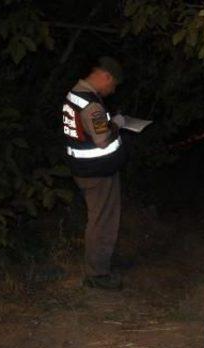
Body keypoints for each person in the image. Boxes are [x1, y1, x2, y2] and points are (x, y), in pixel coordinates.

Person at [62, 57, 127, 290]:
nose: (113, 90)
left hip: (83, 170)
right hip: (98, 173)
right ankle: (98, 275)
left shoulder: (74, 95)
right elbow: (102, 139)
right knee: (102, 222)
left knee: (97, 219)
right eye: (114, 84)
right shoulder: (92, 105)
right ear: (106, 76)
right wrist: (117, 123)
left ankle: (98, 265)